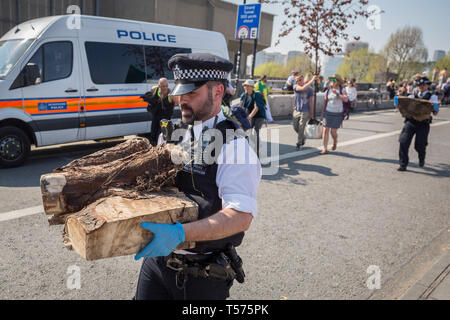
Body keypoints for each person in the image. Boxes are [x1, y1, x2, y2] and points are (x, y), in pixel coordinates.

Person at [134, 53, 261, 300]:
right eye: (180, 92)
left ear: (217, 92)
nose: (181, 100)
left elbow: (240, 217)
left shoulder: (235, 146)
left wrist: (180, 234)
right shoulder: (171, 133)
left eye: (191, 93)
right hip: (156, 262)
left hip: (201, 275)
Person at [396, 77, 439, 171]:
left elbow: (435, 113)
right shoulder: (412, 96)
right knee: (403, 141)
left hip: (423, 123)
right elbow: (401, 107)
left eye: (423, 85)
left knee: (419, 146)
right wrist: (397, 102)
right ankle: (403, 164)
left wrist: (435, 108)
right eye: (419, 85)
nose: (421, 87)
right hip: (410, 122)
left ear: (428, 85)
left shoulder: (432, 97)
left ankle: (422, 157)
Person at [141, 78, 175, 146]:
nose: (165, 88)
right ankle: (154, 149)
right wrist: (150, 104)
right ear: (159, 86)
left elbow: (179, 103)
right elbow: (150, 98)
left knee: (163, 136)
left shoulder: (171, 95)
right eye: (163, 86)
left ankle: (165, 151)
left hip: (165, 118)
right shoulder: (154, 89)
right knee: (153, 135)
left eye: (166, 86)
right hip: (156, 116)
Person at [320, 74, 348, 155]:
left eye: (334, 80)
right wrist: (322, 114)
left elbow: (346, 99)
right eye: (331, 80)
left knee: (333, 132)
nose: (332, 81)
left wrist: (338, 94)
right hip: (328, 112)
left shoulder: (342, 90)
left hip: (337, 114)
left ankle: (335, 141)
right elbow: (325, 103)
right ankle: (324, 148)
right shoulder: (328, 90)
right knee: (325, 130)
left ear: (338, 81)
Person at [240, 79, 266, 156]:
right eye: (245, 85)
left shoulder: (257, 95)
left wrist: (249, 116)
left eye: (248, 86)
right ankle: (252, 146)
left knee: (255, 131)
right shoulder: (243, 95)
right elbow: (240, 106)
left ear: (252, 87)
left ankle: (257, 151)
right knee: (247, 132)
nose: (246, 87)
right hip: (249, 115)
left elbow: (256, 107)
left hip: (259, 116)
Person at [292, 73, 317, 150]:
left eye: (299, 80)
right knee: (295, 127)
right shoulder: (295, 86)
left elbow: (311, 102)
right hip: (296, 110)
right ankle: (303, 137)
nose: (298, 82)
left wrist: (311, 114)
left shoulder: (310, 89)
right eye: (296, 80)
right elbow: (302, 89)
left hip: (305, 110)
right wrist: (312, 80)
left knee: (301, 126)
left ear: (303, 80)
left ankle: (299, 143)